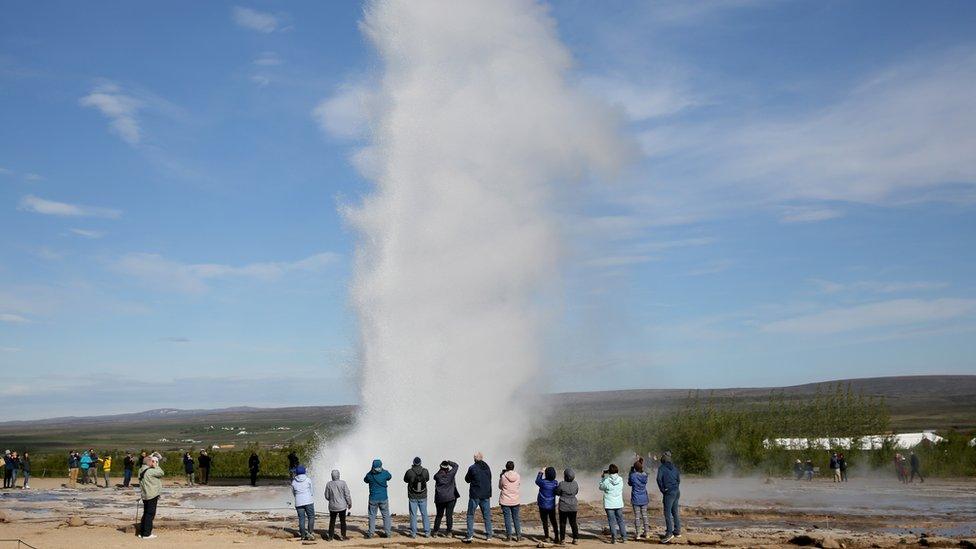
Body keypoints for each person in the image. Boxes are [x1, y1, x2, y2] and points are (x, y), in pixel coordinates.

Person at [463, 452, 493, 543]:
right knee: (486, 516)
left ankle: (470, 535)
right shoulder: (487, 467)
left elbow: (467, 479)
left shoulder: (472, 468)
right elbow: (490, 478)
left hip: (475, 494)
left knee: (470, 515)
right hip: (486, 494)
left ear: (475, 459)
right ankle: (489, 535)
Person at [364, 458, 392, 538]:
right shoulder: (385, 473)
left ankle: (371, 533)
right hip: (383, 498)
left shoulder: (370, 475)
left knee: (372, 516)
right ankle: (388, 533)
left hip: (373, 499)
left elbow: (365, 480)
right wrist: (382, 470)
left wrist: (371, 471)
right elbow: (390, 477)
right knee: (386, 515)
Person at [138, 455, 165, 539]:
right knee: (150, 514)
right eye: (151, 461)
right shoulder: (150, 471)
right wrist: (156, 465)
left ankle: (142, 532)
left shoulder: (140, 470)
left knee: (146, 513)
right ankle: (147, 534)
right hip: (152, 494)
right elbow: (161, 473)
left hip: (145, 494)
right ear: (148, 462)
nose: (153, 462)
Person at [657, 451, 681, 544]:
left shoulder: (662, 468)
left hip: (669, 492)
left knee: (667, 513)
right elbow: (679, 480)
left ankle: (669, 533)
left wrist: (663, 490)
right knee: (675, 512)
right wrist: (675, 487)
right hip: (676, 491)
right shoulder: (674, 468)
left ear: (663, 459)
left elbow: (659, 479)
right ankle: (677, 531)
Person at [403, 456, 431, 538]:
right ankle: (427, 532)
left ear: (413, 463)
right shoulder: (425, 471)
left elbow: (405, 480)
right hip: (423, 496)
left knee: (413, 515)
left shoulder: (409, 472)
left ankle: (413, 533)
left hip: (412, 496)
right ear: (420, 463)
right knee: (424, 514)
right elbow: (427, 479)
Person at [600, 463, 627, 544]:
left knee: (612, 521)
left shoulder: (606, 480)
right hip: (618, 503)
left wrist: (603, 478)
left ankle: (614, 539)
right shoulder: (621, 479)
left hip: (609, 504)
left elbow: (601, 487)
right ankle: (624, 538)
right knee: (621, 521)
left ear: (609, 471)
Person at [432, 460, 459, 538]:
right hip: (450, 498)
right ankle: (449, 532)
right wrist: (449, 462)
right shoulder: (451, 474)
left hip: (440, 499)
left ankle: (435, 532)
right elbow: (456, 465)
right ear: (447, 468)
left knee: (439, 515)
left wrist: (441, 468)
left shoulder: (437, 476)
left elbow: (435, 476)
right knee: (449, 515)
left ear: (440, 467)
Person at [325, 468, 352, 541]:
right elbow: (347, 494)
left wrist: (331, 500)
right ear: (339, 475)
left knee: (332, 521)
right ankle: (343, 536)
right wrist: (349, 503)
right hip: (342, 506)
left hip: (332, 506)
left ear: (332, 476)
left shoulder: (328, 484)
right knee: (343, 521)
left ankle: (330, 537)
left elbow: (327, 496)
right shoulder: (343, 483)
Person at [498, 460, 521, 542]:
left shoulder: (503, 476)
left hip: (505, 500)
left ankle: (509, 537)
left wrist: (501, 476)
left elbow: (500, 487)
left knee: (507, 518)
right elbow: (518, 485)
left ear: (506, 467)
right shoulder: (518, 476)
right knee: (516, 518)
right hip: (515, 499)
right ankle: (518, 536)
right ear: (513, 467)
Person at [291, 465, 315, 541]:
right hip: (308, 501)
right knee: (311, 516)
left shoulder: (294, 481)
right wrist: (309, 496)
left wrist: (298, 497)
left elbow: (293, 493)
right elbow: (311, 491)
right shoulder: (308, 480)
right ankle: (310, 533)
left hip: (298, 502)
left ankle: (303, 535)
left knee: (301, 519)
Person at [557, 468, 580, 545]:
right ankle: (575, 539)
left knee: (563, 523)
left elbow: (557, 492)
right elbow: (576, 492)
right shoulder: (575, 483)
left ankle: (562, 540)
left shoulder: (561, 484)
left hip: (563, 507)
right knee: (573, 523)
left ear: (565, 476)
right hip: (573, 506)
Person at [536, 466, 559, 542]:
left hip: (542, 505)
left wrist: (541, 471)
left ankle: (547, 537)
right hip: (551, 505)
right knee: (554, 521)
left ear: (546, 474)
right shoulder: (555, 483)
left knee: (545, 521)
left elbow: (537, 480)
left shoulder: (542, 482)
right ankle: (556, 537)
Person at [629, 459, 650, 539]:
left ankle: (638, 534)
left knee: (637, 516)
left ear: (634, 468)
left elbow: (629, 483)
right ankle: (647, 533)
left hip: (636, 498)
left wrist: (631, 471)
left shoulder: (633, 475)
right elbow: (644, 472)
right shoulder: (645, 475)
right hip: (644, 498)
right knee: (645, 515)